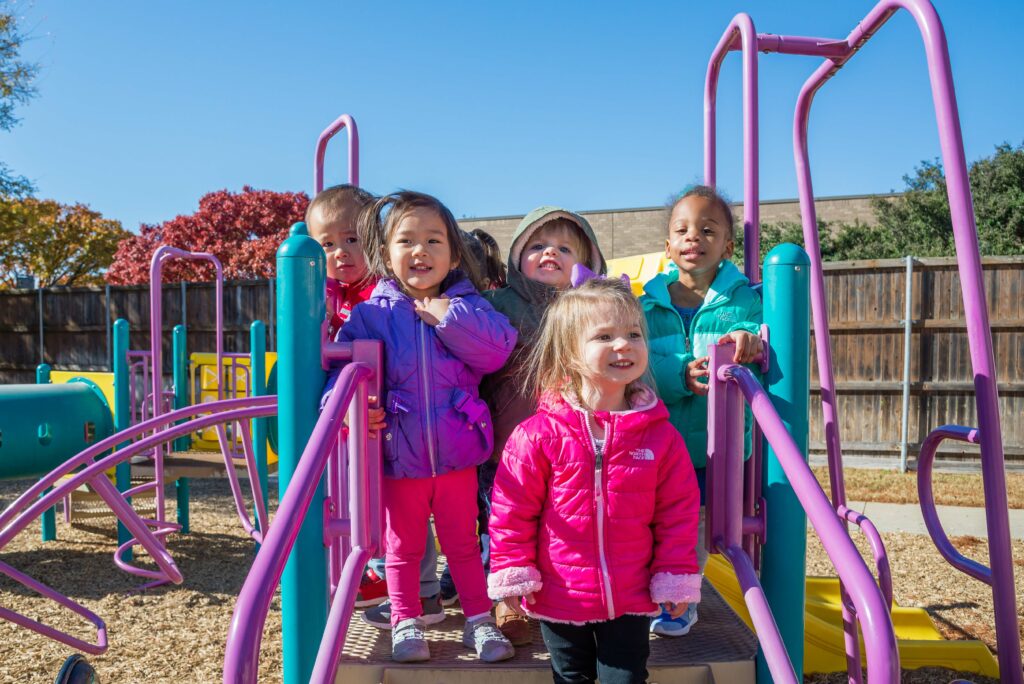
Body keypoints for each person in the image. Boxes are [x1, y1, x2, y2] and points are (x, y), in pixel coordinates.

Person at [326, 190, 518, 664]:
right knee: (402, 547)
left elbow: (497, 350)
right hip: (399, 453)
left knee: (464, 545)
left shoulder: (468, 306)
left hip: (457, 452)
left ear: (453, 253)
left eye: (434, 240)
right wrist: (350, 411)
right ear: (385, 255)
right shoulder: (372, 316)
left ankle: (478, 619)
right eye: (406, 240)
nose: (420, 251)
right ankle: (406, 619)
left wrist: (447, 317)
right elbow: (337, 377)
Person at [487, 275, 701, 684]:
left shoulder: (659, 435)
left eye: (634, 334)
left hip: (630, 593)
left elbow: (677, 513)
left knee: (626, 677)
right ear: (570, 354)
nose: (624, 345)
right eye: (605, 336)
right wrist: (514, 569)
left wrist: (673, 575)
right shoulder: (539, 435)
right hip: (559, 594)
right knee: (571, 677)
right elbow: (511, 512)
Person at [478, 206, 606, 645]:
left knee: (562, 525)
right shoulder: (498, 304)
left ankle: (560, 595)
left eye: (565, 247)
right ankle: (507, 604)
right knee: (504, 525)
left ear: (587, 260)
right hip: (508, 443)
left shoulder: (593, 308)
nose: (550, 252)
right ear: (517, 259)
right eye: (537, 245)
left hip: (573, 449)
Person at [639, 185, 762, 637]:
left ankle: (678, 600)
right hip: (659, 442)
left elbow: (760, 334)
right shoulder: (645, 305)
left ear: (726, 246)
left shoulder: (744, 300)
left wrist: (751, 340)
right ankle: (645, 590)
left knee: (697, 527)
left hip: (719, 444)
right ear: (669, 245)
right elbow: (634, 363)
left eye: (708, 230)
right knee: (652, 521)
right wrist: (676, 375)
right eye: (683, 230)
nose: (695, 238)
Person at [305, 184, 376, 339]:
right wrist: (323, 321)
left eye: (351, 239)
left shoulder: (381, 291)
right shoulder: (321, 292)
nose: (340, 252)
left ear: (374, 240)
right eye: (328, 244)